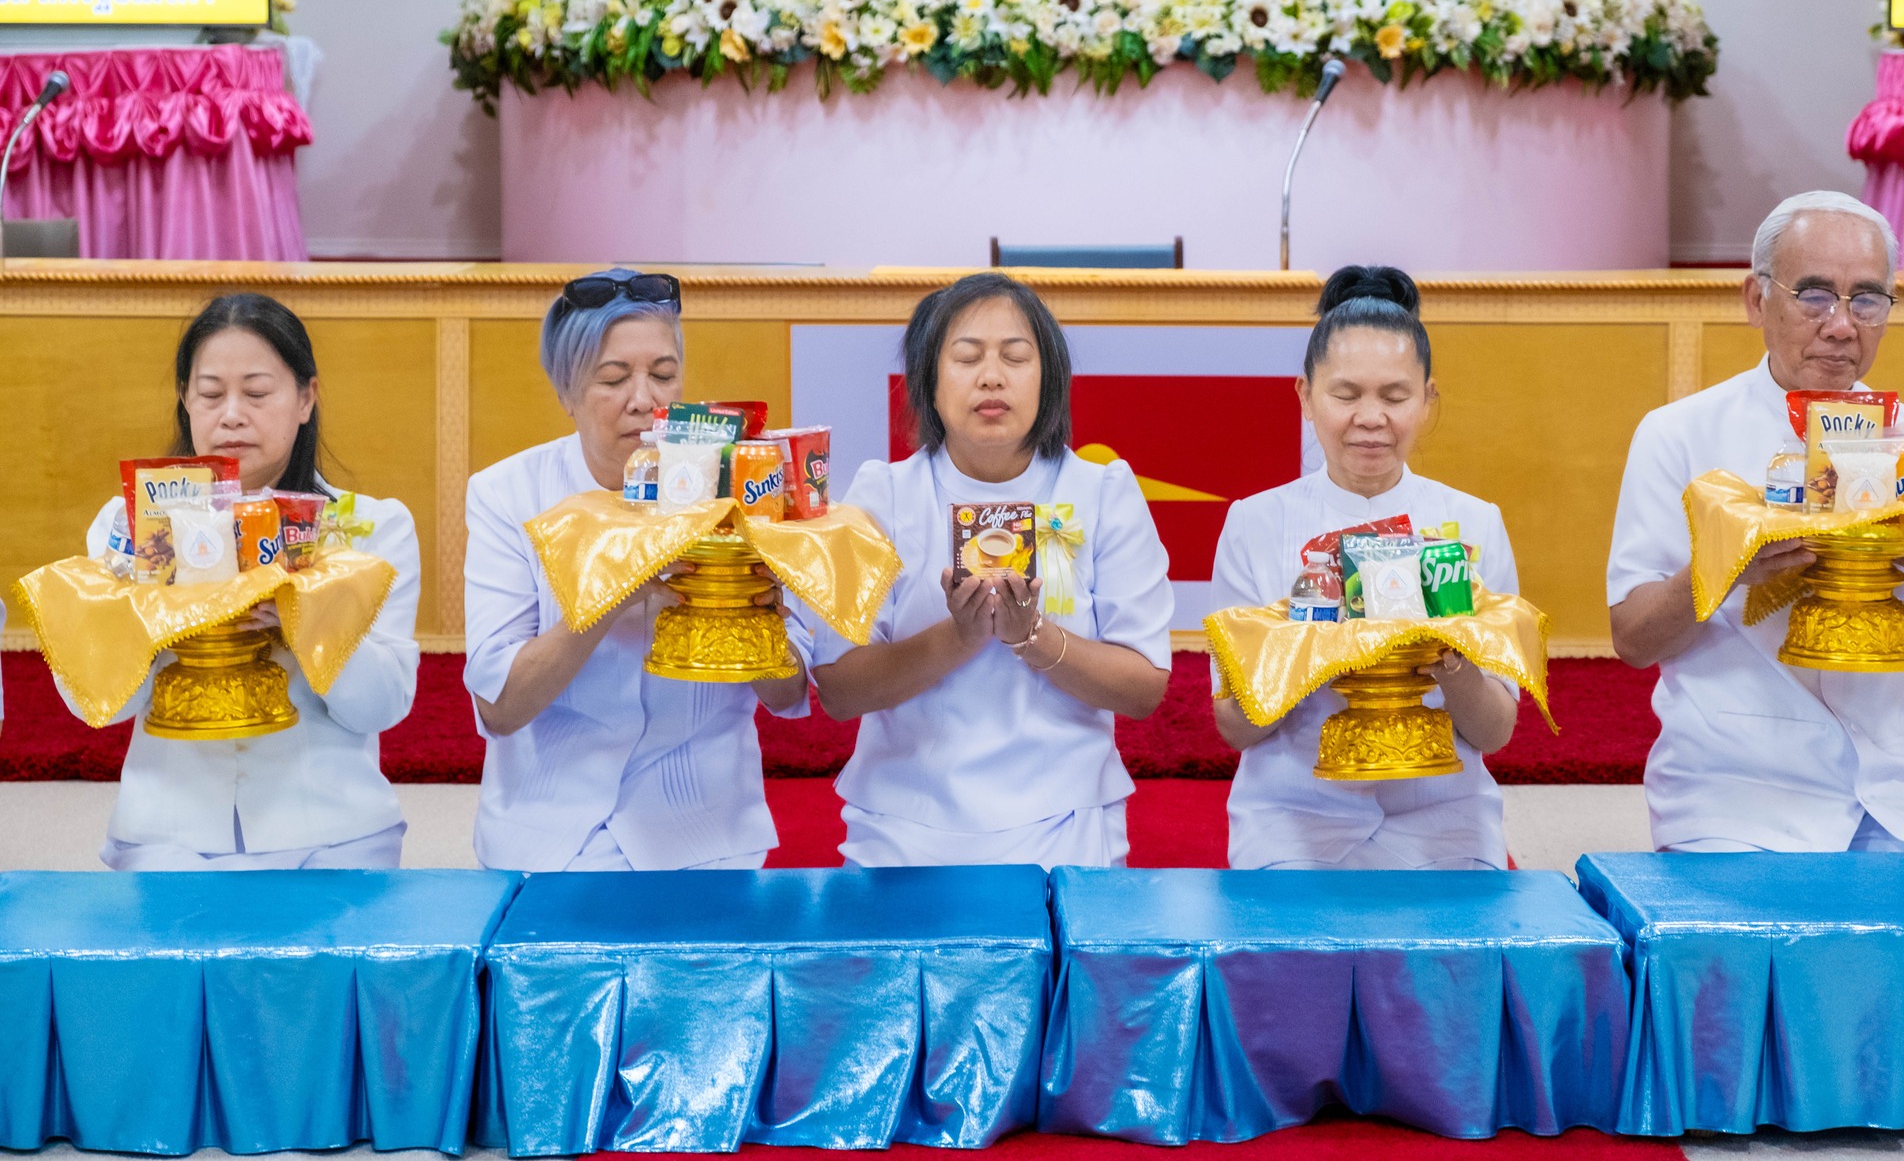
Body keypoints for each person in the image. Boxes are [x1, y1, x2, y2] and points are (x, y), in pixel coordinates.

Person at [1609, 191, 1904, 853]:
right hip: (1735, 798)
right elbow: (1633, 638)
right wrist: (1723, 566)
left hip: (1900, 799)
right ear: (1757, 299)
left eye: (1867, 298)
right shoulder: (1678, 434)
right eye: (1814, 294)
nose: (1842, 324)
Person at [806, 273, 1173, 868]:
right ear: (928, 379)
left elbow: (1144, 688)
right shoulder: (884, 494)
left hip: (1067, 829)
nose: (991, 376)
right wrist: (961, 637)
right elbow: (841, 691)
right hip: (903, 832)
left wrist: (1032, 637)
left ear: (1048, 378)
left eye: (1016, 356)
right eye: (967, 356)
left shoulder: (1101, 490)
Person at [464, 267, 810, 871]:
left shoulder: (746, 494)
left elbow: (792, 696)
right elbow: (499, 705)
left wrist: (749, 613)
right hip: (545, 843)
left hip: (706, 839)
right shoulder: (508, 494)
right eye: (613, 378)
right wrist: (615, 590)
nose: (645, 400)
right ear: (566, 392)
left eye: (664, 374)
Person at [60, 294, 420, 870]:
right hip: (165, 835)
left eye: (256, 393)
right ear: (185, 400)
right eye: (209, 394)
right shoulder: (126, 526)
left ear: (306, 398)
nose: (231, 415)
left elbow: (383, 706)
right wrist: (150, 612)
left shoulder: (370, 527)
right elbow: (95, 705)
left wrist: (306, 618)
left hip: (334, 834)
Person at [1210, 267, 1521, 870]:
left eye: (1395, 396)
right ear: (1305, 395)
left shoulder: (1473, 522)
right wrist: (1309, 644)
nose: (1371, 418)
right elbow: (1234, 727)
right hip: (1293, 817)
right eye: (1346, 395)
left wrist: (1448, 658)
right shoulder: (1255, 522)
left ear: (1428, 398)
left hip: (1445, 817)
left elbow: (1495, 732)